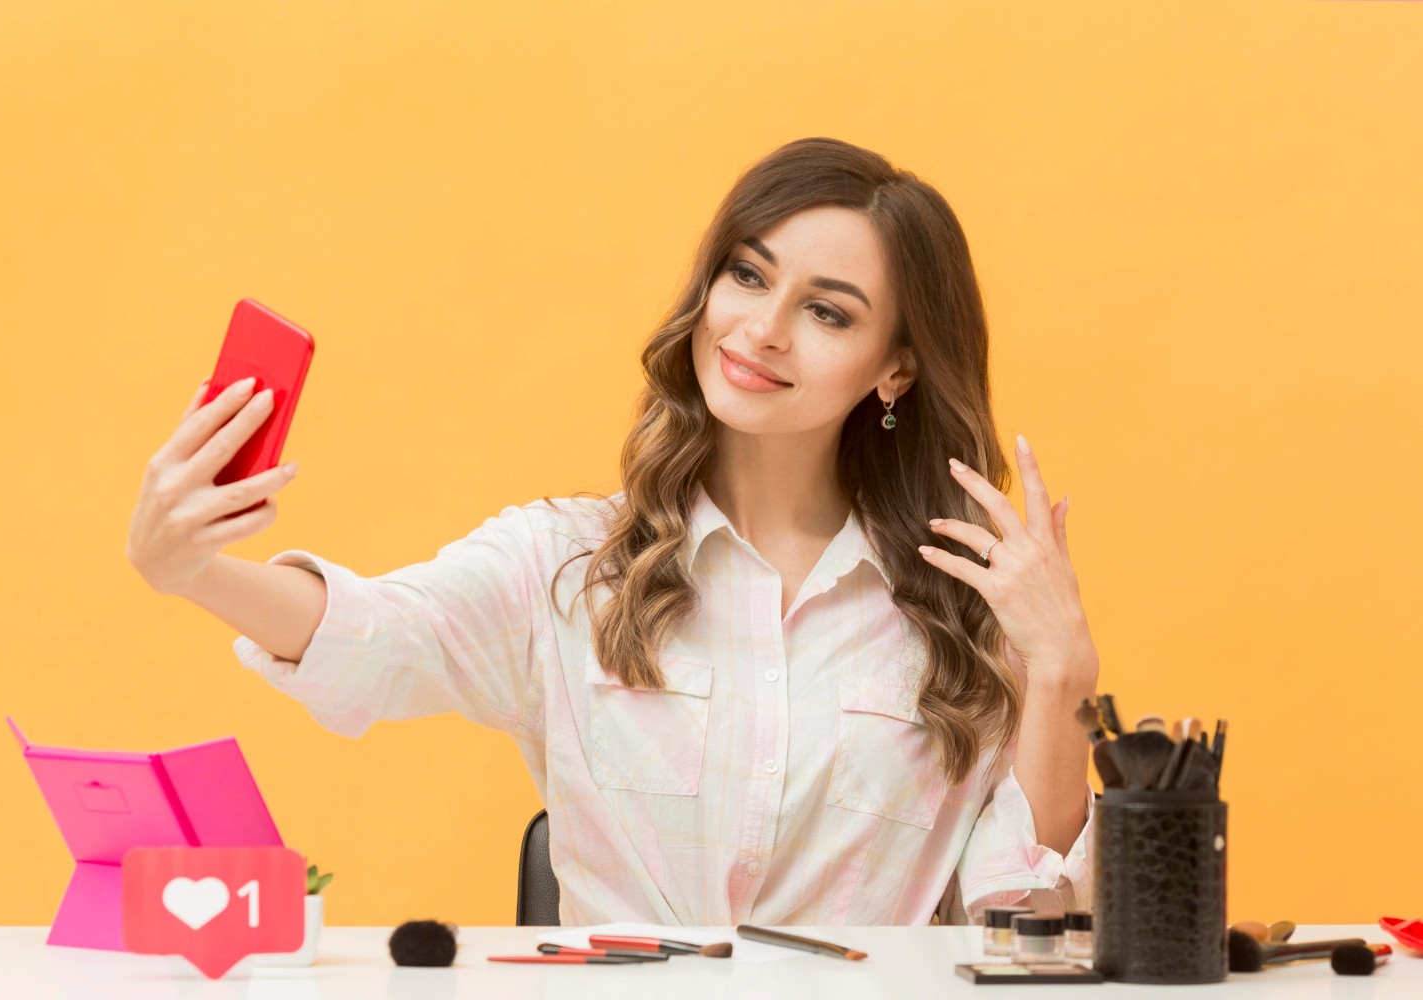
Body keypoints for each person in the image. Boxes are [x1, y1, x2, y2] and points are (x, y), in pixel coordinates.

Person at [127, 136, 1100, 927]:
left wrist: (1057, 676)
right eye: (747, 276)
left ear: (895, 369)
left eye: (827, 313)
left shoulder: (964, 614)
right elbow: (374, 635)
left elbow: (1029, 916)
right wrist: (193, 568)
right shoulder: (568, 566)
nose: (762, 329)